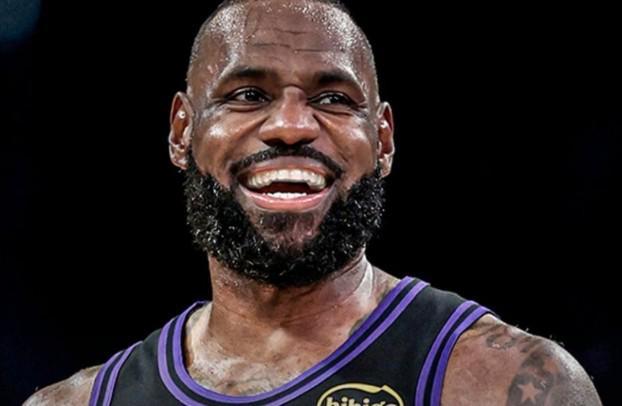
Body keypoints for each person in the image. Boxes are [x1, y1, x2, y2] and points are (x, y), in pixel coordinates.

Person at [24, 0, 603, 405]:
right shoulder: (76, 402)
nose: (291, 126)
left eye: (332, 99)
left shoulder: (504, 383)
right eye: (247, 94)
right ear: (182, 133)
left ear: (383, 142)